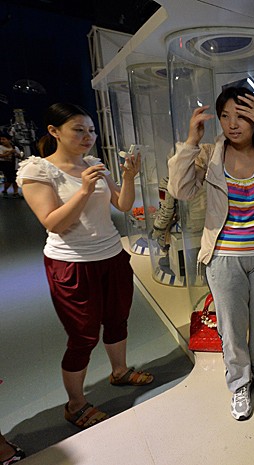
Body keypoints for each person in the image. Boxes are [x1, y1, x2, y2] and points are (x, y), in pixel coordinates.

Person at [168, 86, 254, 420]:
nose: (233, 123)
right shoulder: (208, 154)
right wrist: (189, 142)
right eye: (225, 116)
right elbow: (180, 189)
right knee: (231, 327)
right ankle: (239, 383)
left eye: (242, 115)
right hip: (224, 256)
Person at [16, 103, 153, 430]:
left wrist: (129, 176)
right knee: (83, 335)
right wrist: (85, 190)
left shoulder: (94, 164)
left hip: (111, 255)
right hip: (72, 264)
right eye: (78, 129)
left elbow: (121, 204)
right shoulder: (37, 171)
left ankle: (119, 372)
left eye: (91, 130)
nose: (87, 136)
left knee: (117, 318)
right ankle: (75, 404)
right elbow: (54, 223)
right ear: (54, 131)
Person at [0, 132, 20, 197]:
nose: (2, 141)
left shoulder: (15, 148)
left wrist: (17, 155)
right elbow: (1, 156)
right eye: (1, 139)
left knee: (15, 178)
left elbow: (19, 156)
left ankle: (15, 192)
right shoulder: (1, 147)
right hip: (5, 164)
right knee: (10, 179)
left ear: (9, 140)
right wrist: (10, 153)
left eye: (3, 139)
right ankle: (5, 190)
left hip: (14, 164)